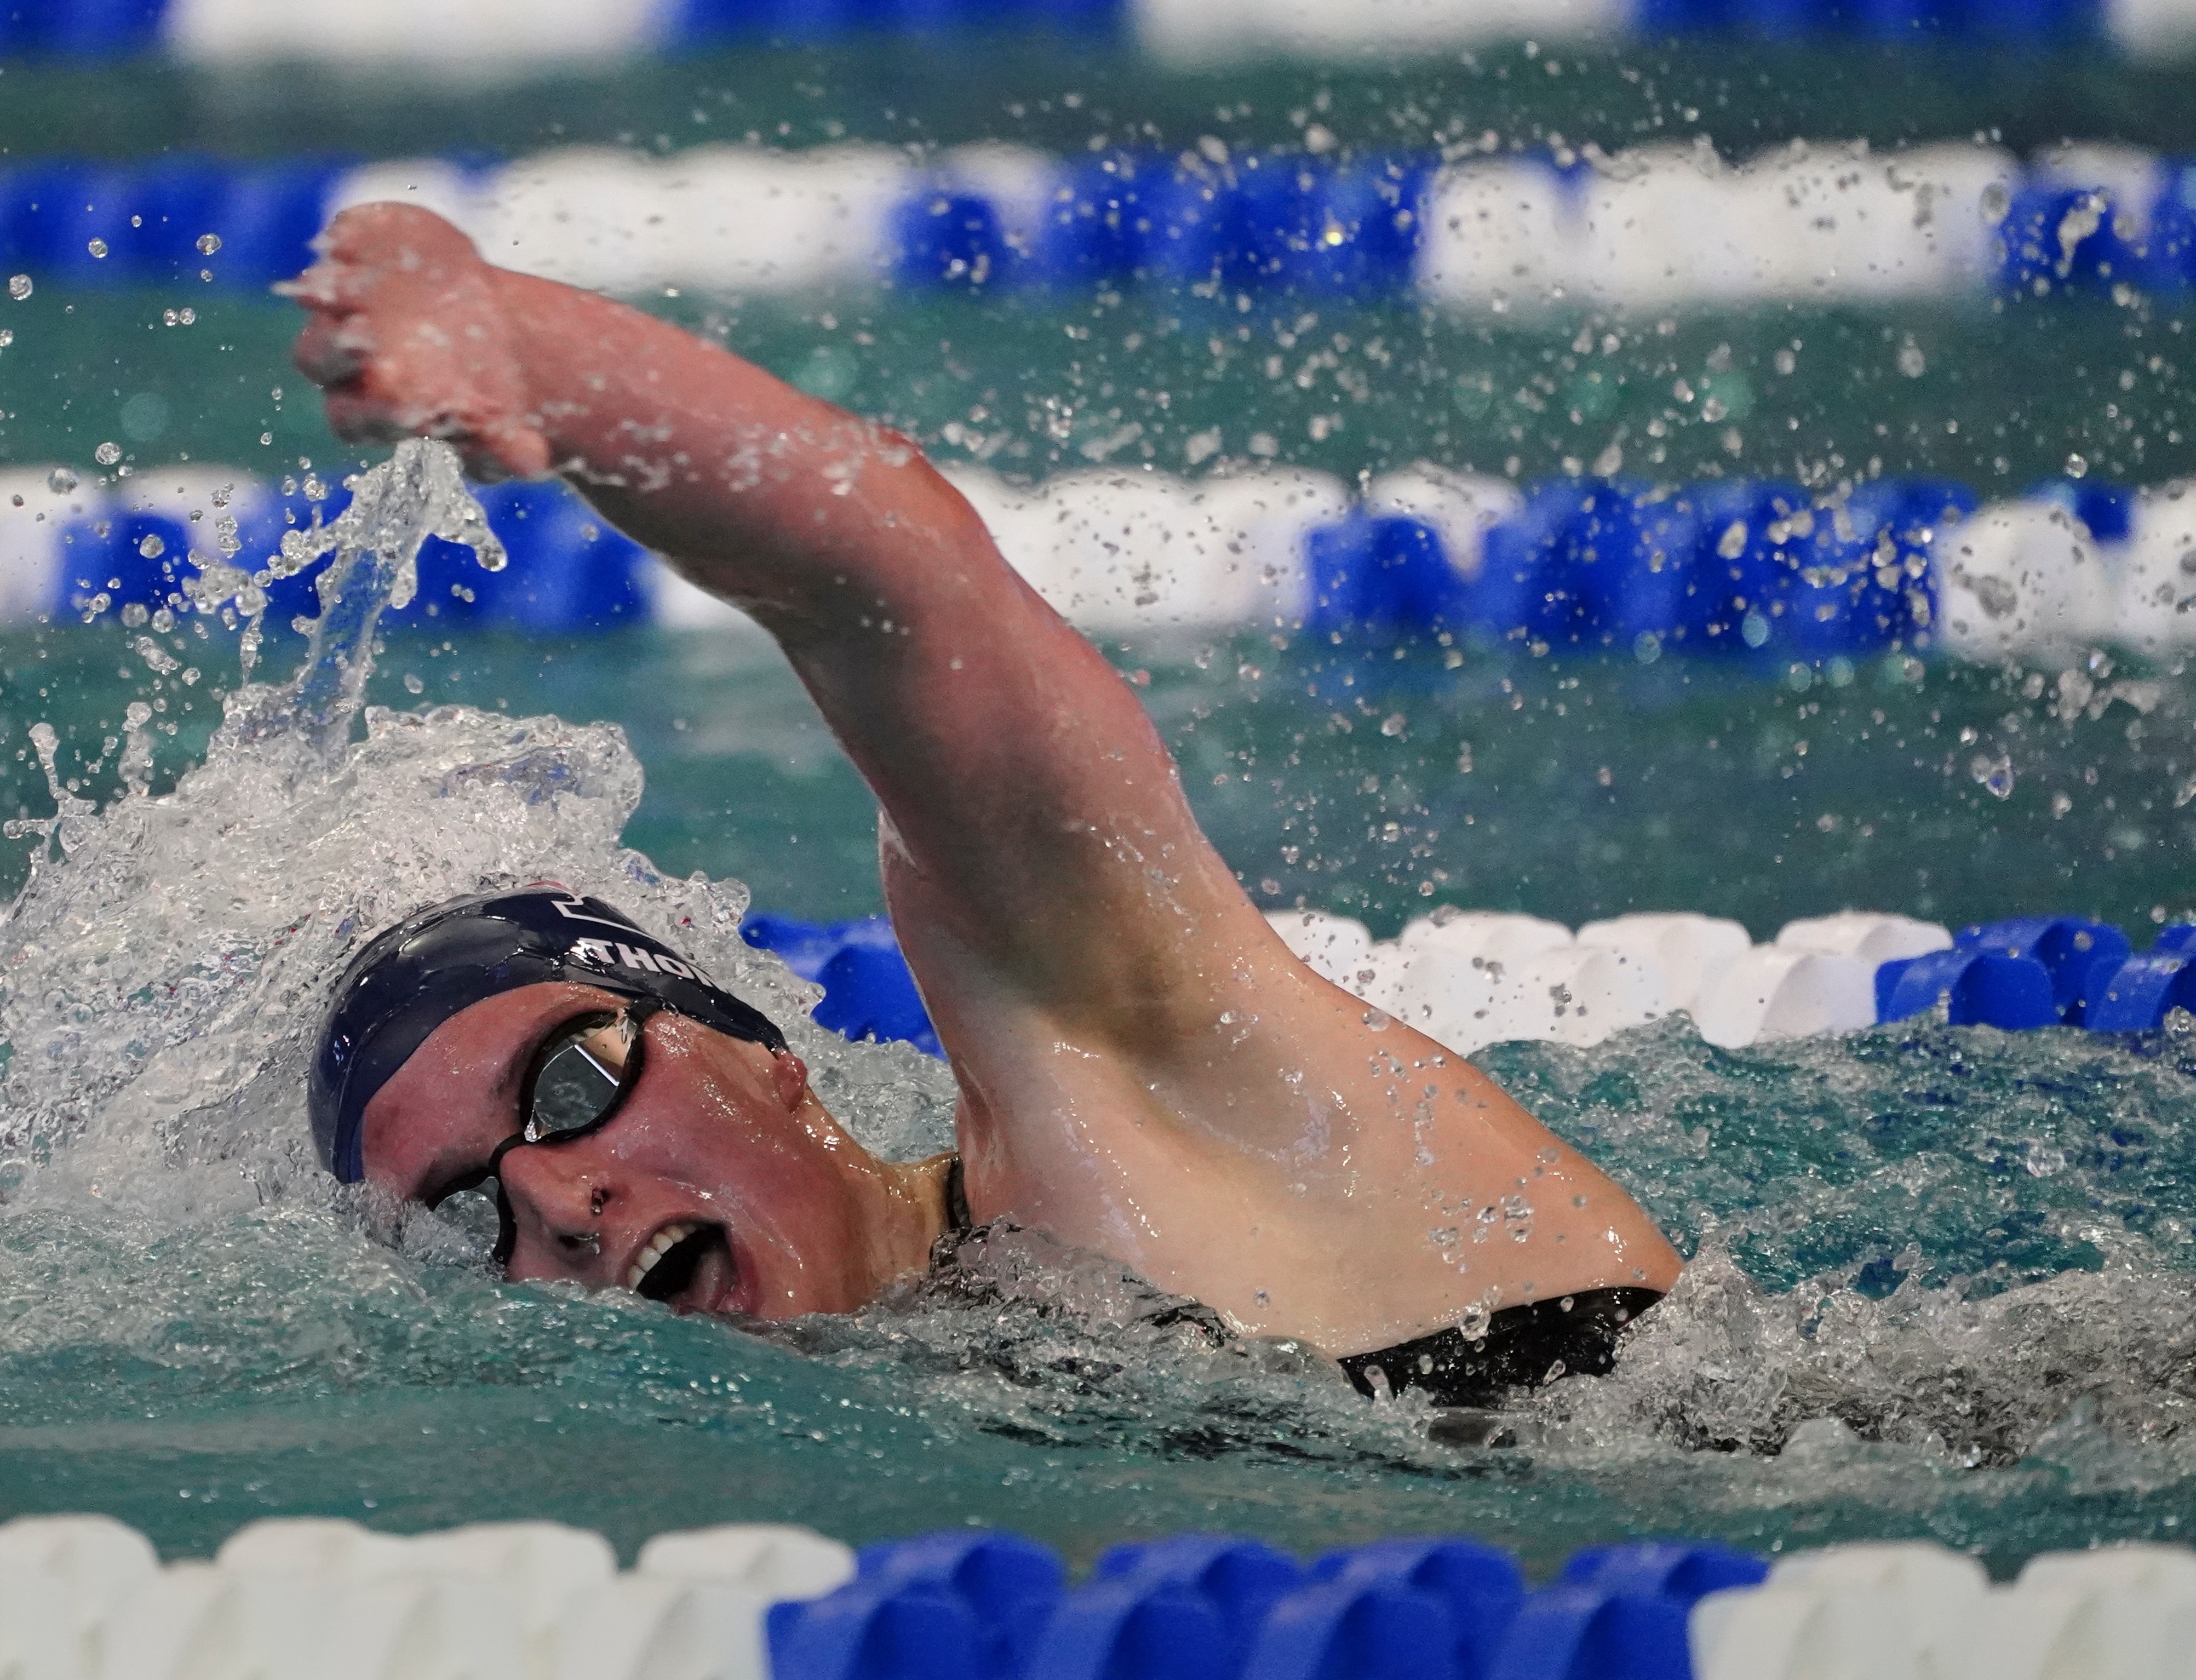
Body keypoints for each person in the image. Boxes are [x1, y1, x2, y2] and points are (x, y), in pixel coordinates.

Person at [284, 203, 1683, 1406]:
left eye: (571, 1079)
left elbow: (894, 581)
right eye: (467, 1217)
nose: (550, 1200)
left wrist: (523, 342)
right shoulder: (875, 1419)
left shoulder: (1125, 1089)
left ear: (758, 1051)